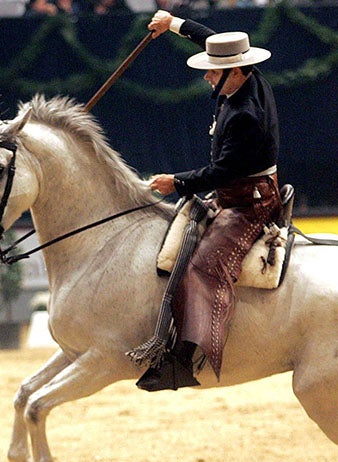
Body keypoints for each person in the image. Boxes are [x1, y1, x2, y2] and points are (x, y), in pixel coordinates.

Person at [136, 10, 281, 392]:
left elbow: (222, 172)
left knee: (203, 269)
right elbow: (214, 40)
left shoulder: (245, 115)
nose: (206, 76)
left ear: (234, 72)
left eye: (213, 72)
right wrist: (174, 23)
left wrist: (176, 182)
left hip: (248, 202)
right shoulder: (246, 79)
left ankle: (185, 361)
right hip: (234, 192)